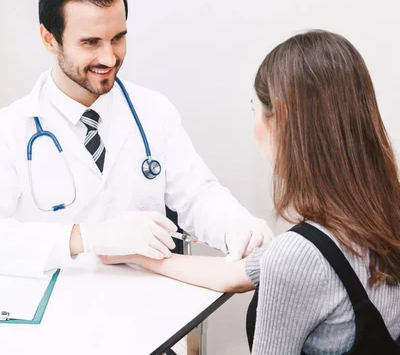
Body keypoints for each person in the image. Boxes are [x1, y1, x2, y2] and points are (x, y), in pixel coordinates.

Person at [0, 0, 272, 278]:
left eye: (118, 38)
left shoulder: (153, 112)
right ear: (49, 39)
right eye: (90, 42)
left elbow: (198, 197)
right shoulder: (8, 131)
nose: (109, 57)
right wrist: (85, 237)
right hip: (57, 315)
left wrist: (237, 225)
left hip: (151, 314)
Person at [101, 30, 400, 354]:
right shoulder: (382, 215)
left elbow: (284, 267)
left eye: (254, 108)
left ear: (282, 119)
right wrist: (136, 255)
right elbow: (233, 276)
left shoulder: (296, 256)